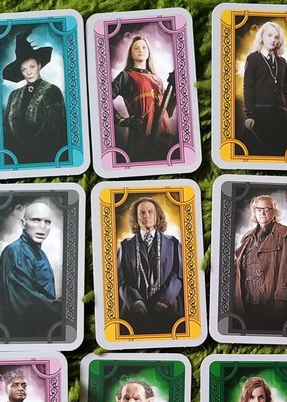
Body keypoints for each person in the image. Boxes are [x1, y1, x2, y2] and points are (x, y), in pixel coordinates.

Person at [0, 201, 62, 341]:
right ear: (23, 223)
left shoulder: (40, 253)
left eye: (47, 222)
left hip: (40, 332)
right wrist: (65, 308)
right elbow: (26, 301)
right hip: (23, 335)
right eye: (36, 220)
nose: (42, 227)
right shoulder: (16, 252)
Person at [117, 197, 184, 335]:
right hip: (135, 314)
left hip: (169, 311)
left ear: (157, 215)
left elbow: (179, 275)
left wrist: (165, 299)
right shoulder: (125, 246)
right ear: (135, 217)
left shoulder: (173, 243)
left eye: (150, 212)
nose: (146, 215)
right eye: (142, 212)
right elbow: (120, 280)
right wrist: (135, 301)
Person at [233, 195, 287, 333]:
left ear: (274, 212)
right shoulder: (247, 238)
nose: (262, 213)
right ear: (254, 212)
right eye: (259, 209)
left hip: (274, 304)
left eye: (267, 209)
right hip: (246, 303)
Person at [1, 33, 67, 164]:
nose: (29, 72)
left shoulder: (52, 91)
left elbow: (55, 129)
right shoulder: (14, 95)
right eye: (24, 69)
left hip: (44, 156)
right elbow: (6, 129)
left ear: (39, 65)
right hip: (15, 157)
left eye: (32, 66)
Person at [112, 36, 176, 163]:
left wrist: (176, 92)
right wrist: (123, 121)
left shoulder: (157, 79)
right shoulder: (126, 76)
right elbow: (103, 100)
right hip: (141, 137)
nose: (140, 50)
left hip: (165, 138)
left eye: (143, 47)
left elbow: (167, 112)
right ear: (131, 53)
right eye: (136, 48)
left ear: (148, 52)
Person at [242, 22, 287, 157]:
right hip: (261, 115)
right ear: (262, 37)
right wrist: (250, 115)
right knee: (262, 153)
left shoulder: (282, 62)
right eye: (269, 35)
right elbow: (248, 87)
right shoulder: (253, 58)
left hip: (281, 117)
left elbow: (284, 91)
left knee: (281, 154)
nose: (273, 40)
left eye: (276, 37)